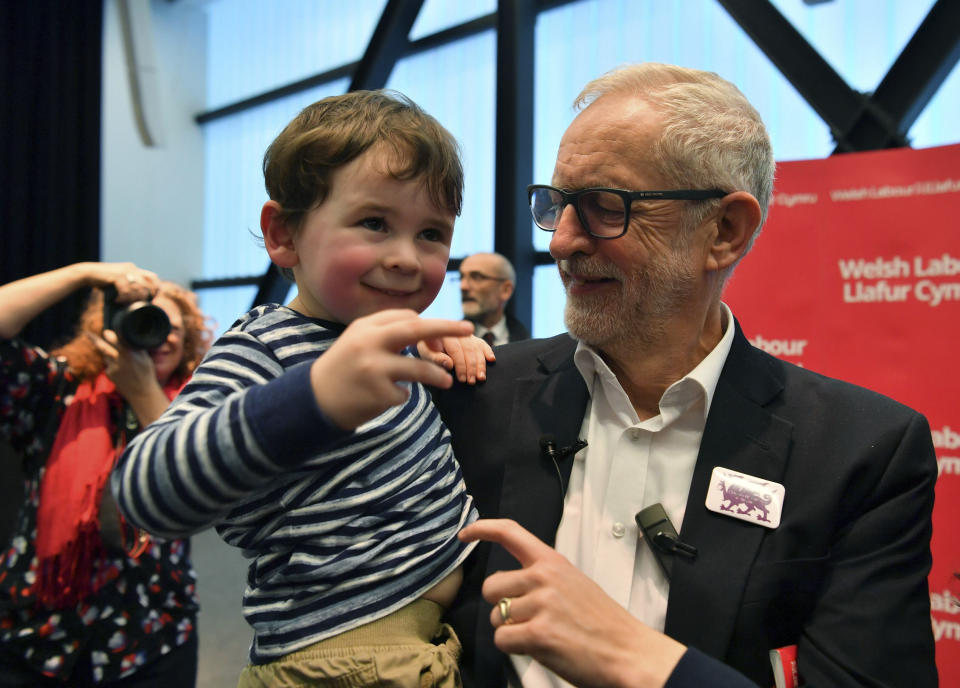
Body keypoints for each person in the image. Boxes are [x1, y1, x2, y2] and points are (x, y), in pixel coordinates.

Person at [433, 63, 938, 688]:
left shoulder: (858, 455)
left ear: (724, 231)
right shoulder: (467, 395)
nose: (561, 242)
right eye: (555, 204)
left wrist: (636, 658)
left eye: (601, 207)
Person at [112, 90, 495, 688]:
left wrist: (450, 348)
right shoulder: (267, 349)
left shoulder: (392, 338)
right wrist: (311, 399)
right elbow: (143, 487)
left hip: (426, 639)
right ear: (285, 235)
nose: (405, 258)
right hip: (344, 661)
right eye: (374, 223)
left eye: (431, 234)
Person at [0, 262, 212, 687]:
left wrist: (142, 391)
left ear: (187, 339)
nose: (159, 334)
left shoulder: (201, 404)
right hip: (36, 635)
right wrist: (83, 275)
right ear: (109, 330)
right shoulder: (60, 391)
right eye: (142, 320)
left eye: (169, 325)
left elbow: (195, 476)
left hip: (152, 636)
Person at [459, 252, 529, 345]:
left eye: (476, 277)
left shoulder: (527, 345)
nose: (463, 286)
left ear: (505, 290)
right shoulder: (445, 345)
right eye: (461, 277)